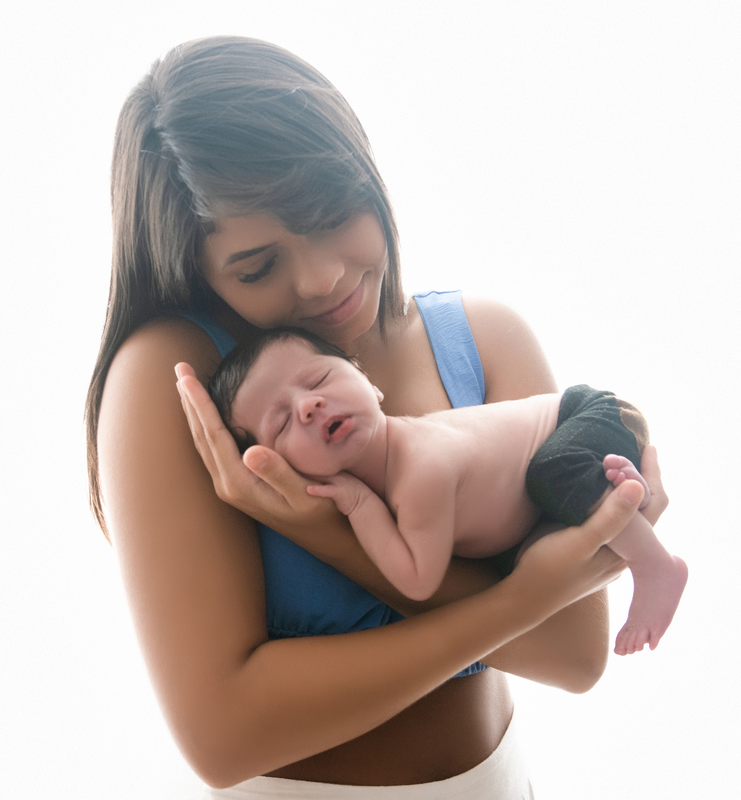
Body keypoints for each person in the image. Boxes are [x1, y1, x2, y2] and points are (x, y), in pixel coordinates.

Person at [85, 36, 669, 797]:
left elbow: (574, 656)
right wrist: (520, 598)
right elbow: (223, 736)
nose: (323, 276)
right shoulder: (178, 377)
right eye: (258, 266)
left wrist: (327, 531)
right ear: (196, 269)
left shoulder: (484, 339)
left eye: (329, 212)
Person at [203, 326, 687, 657]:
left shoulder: (421, 470)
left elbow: (416, 580)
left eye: (319, 378)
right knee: (539, 549)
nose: (308, 405)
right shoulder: (404, 463)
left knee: (554, 473)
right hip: (588, 444)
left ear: (370, 384)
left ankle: (657, 567)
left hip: (591, 417)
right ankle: (617, 492)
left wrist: (356, 502)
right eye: (283, 421)